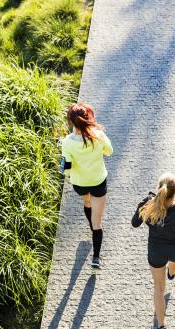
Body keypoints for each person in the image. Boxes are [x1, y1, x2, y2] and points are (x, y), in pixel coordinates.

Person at [132, 173, 175, 329]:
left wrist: (143, 203)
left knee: (159, 287)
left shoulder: (149, 204)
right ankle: (172, 272)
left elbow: (134, 223)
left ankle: (161, 327)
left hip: (156, 251)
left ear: (159, 188)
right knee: (174, 266)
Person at [62, 102, 113, 269]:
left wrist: (68, 174)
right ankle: (96, 258)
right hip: (98, 181)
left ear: (71, 122)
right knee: (98, 223)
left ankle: (91, 226)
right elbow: (109, 152)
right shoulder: (98, 135)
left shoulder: (67, 142)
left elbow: (67, 167)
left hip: (79, 183)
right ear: (88, 119)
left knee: (87, 203)